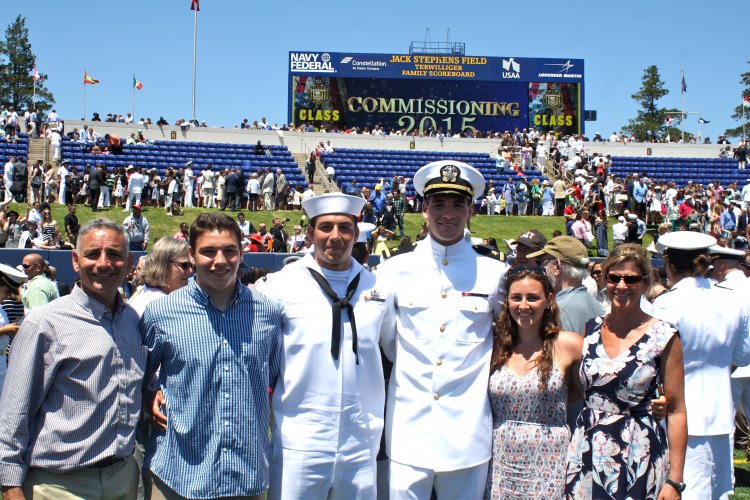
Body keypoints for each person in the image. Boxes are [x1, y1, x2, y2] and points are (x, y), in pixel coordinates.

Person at [377, 160, 509, 499]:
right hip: (409, 428)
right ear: (424, 209)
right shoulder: (394, 270)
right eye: (438, 203)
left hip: (467, 433)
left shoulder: (494, 273)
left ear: (470, 210)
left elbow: (502, 338)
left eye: (457, 204)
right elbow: (389, 341)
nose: (447, 213)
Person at [256, 193, 395, 499]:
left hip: (361, 441)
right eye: (326, 227)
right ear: (310, 233)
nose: (335, 237)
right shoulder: (278, 286)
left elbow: (399, 351)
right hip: (299, 441)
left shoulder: (380, 289)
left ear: (356, 234)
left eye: (345, 228)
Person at [0, 219, 144, 499]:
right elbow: (15, 410)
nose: (103, 263)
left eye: (114, 254)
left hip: (122, 477)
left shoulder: (131, 321)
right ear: (76, 261)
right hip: (60, 484)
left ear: (128, 263)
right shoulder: (46, 323)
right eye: (93, 254)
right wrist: (10, 484)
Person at [143, 212, 283, 499]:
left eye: (229, 251)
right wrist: (150, 396)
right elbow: (137, 377)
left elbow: (274, 379)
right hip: (178, 473)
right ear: (192, 256)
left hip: (245, 474)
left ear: (241, 253)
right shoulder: (162, 313)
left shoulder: (267, 313)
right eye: (208, 251)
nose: (220, 261)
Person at [565, 244, 687, 499]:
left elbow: (676, 411)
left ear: (645, 283)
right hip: (586, 448)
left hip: (637, 450)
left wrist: (675, 481)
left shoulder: (664, 336)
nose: (621, 286)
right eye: (614, 278)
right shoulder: (591, 328)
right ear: (604, 280)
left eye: (631, 279)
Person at [651, 231, 750, 499]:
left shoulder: (665, 304)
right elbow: (742, 356)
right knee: (714, 491)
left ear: (670, 265)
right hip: (719, 411)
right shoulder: (732, 300)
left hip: (676, 413)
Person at [486, 268, 582, 498]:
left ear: (549, 300)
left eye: (533, 298)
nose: (524, 305)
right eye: (516, 298)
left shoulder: (569, 345)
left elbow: (587, 391)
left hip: (550, 458)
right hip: (501, 458)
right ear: (506, 301)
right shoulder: (494, 347)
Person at [528, 236, 604, 336]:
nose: (541, 268)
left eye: (541, 262)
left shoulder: (556, 311)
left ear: (557, 266)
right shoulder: (599, 307)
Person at [128, 237, 192, 317]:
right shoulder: (164, 306)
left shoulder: (146, 293)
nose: (190, 271)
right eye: (185, 265)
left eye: (191, 265)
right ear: (162, 266)